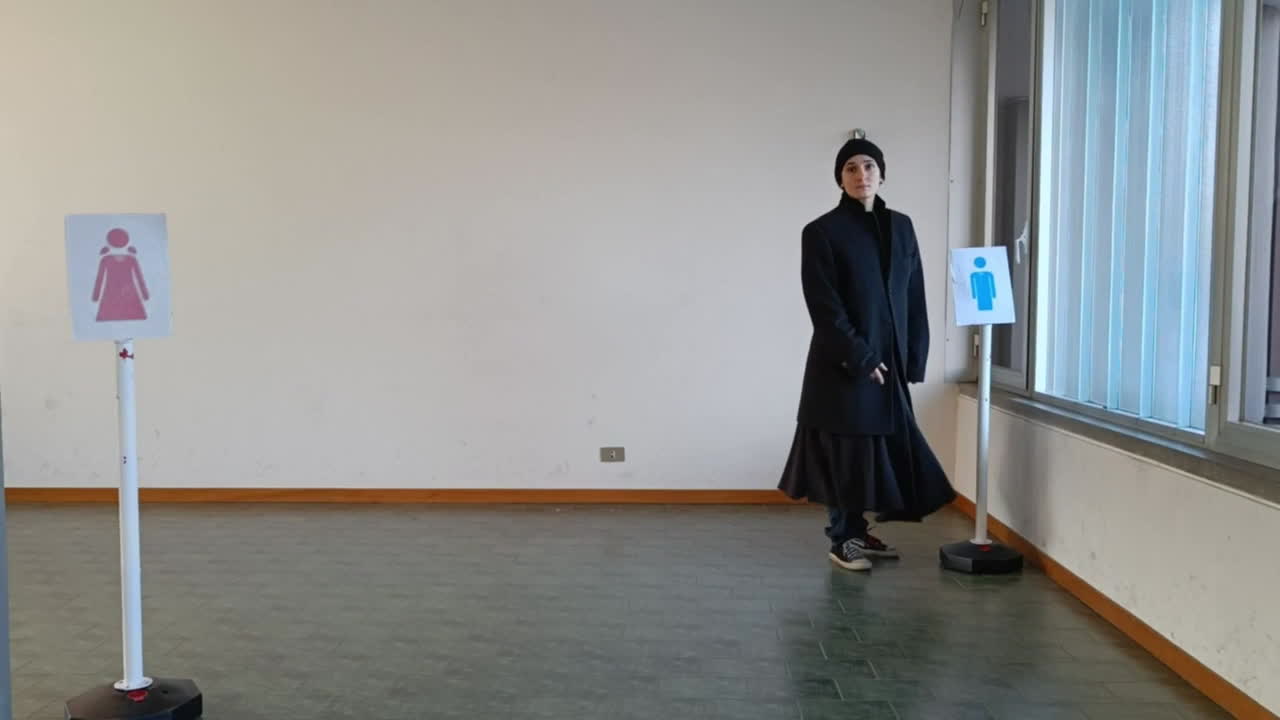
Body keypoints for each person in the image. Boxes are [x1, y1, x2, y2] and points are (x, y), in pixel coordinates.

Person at [778, 137, 956, 571]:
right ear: (840, 178)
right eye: (851, 168)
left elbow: (914, 294)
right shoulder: (821, 232)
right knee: (846, 452)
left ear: (882, 173)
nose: (862, 175)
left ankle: (858, 532)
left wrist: (914, 356)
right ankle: (843, 539)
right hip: (842, 365)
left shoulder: (902, 227)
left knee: (879, 451)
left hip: (889, 363)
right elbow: (824, 306)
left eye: (869, 166)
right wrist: (859, 356)